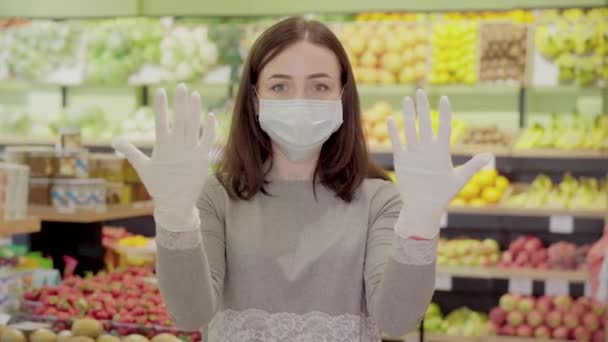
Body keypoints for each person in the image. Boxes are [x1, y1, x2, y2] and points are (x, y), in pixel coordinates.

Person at [113, 17, 490, 342]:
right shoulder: (216, 197)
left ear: (343, 97)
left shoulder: (379, 200)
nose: (300, 99)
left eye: (319, 86)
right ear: (255, 98)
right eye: (280, 86)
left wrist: (421, 221)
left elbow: (397, 320)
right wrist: (175, 217)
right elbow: (191, 314)